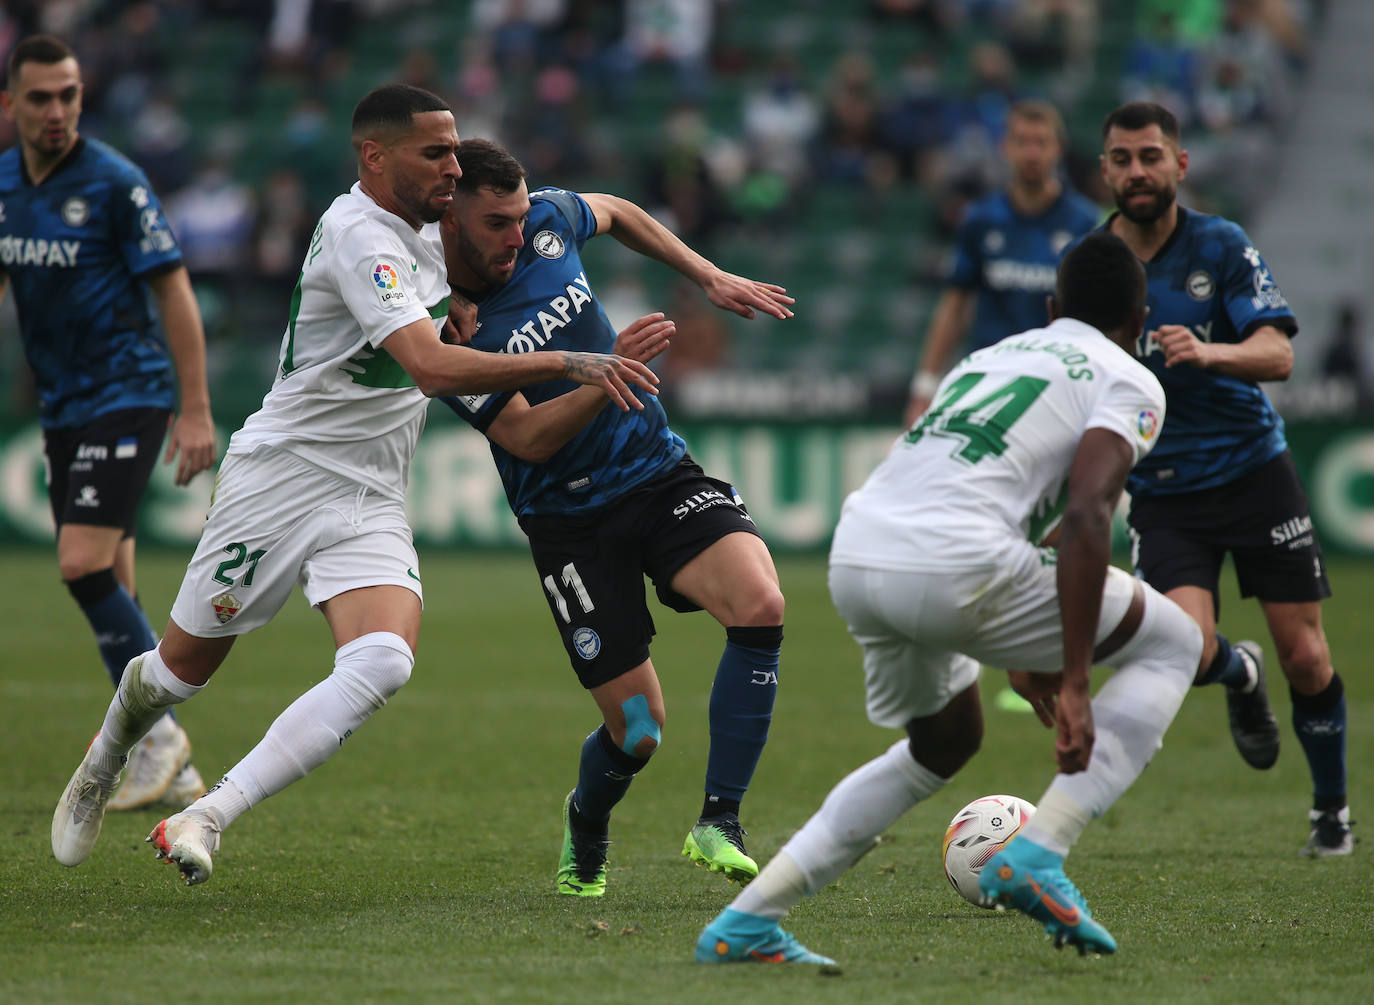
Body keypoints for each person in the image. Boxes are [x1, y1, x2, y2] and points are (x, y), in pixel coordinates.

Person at [49, 83, 662, 885]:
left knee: (383, 661)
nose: (453, 164)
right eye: (434, 152)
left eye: (453, 150)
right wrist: (568, 359)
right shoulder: (357, 232)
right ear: (375, 157)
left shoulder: (441, 227)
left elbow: (552, 238)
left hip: (371, 486)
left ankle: (207, 814)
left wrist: (699, 275)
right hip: (284, 477)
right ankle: (107, 754)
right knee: (180, 670)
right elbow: (430, 365)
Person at [697, 231, 1204, 965]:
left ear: (1053, 306)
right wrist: (1074, 678)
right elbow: (1092, 513)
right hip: (957, 561)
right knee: (1176, 641)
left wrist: (1035, 648)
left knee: (944, 740)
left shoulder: (990, 356)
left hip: (863, 547)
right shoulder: (1128, 377)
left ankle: (743, 923)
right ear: (1140, 319)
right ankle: (1040, 850)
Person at [439, 138, 795, 898]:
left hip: (656, 473)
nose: (516, 233)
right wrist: (606, 373)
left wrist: (709, 274)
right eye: (496, 222)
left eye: (519, 216)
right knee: (638, 732)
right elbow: (528, 438)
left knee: (761, 601)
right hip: (568, 522)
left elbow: (621, 210)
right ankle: (586, 821)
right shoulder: (444, 332)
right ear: (449, 219)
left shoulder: (547, 223)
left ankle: (719, 820)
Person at [1097, 101, 1352, 856]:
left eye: (1150, 156)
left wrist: (1210, 354)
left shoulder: (1221, 244)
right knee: (1182, 648)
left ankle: (1331, 810)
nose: (1136, 171)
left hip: (1253, 471)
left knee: (1305, 654)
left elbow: (1278, 354)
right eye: (1121, 158)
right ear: (1105, 170)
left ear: (1180, 164)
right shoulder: (1094, 261)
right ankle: (1240, 673)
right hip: (1164, 490)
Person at [1, 35, 215, 813]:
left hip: (127, 391)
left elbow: (175, 291)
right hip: (62, 403)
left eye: (69, 95)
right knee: (113, 578)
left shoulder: (116, 183)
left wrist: (194, 409)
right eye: (40, 98)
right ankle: (172, 770)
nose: (57, 111)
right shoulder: (3, 186)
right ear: (10, 105)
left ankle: (158, 737)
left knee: (81, 563)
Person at [903, 99, 1099, 428]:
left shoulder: (1083, 223)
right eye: (1022, 142)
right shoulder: (981, 219)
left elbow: (1094, 315)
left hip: (1057, 385)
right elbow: (954, 305)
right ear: (1005, 147)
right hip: (990, 381)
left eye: (1041, 143)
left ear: (1058, 149)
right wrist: (924, 385)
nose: (1032, 153)